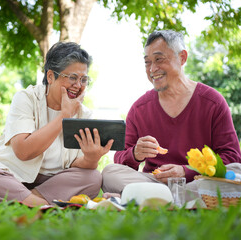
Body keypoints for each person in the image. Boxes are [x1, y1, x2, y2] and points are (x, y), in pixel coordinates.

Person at [0, 42, 113, 207]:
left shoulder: (84, 115)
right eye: (72, 78)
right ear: (50, 76)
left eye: (83, 79)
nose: (78, 86)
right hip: (11, 176)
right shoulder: (26, 98)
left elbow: (77, 164)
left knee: (93, 178)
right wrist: (64, 116)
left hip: (52, 183)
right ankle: (43, 203)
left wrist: (92, 158)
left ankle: (30, 200)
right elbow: (23, 151)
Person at [102, 30, 241, 199]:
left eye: (159, 59)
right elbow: (120, 158)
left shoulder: (212, 102)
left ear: (182, 57)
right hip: (154, 182)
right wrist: (135, 154)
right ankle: (170, 198)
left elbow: (231, 157)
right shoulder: (139, 108)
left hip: (196, 180)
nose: (152, 69)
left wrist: (185, 171)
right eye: (147, 63)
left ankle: (150, 198)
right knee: (110, 172)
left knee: (236, 170)